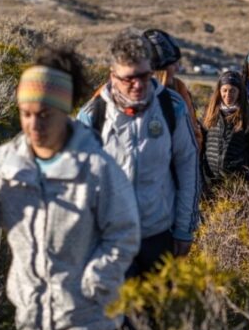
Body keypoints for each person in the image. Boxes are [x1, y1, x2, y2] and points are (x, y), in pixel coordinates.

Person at [0, 47, 140, 330]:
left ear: (64, 111)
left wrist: (95, 282)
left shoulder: (97, 168)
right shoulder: (3, 163)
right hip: (32, 316)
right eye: (26, 114)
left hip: (87, 316)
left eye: (44, 115)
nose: (34, 125)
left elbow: (124, 233)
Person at [77, 30, 200, 277]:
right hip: (110, 238)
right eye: (129, 79)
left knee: (158, 302)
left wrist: (184, 229)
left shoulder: (172, 107)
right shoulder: (93, 116)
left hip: (159, 235)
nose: (139, 85)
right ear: (113, 75)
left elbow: (188, 167)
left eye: (144, 76)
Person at [144, 28, 204, 150]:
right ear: (159, 68)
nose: (177, 68)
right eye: (173, 63)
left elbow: (193, 133)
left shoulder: (179, 89)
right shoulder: (125, 93)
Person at [202, 71, 249, 181]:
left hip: (238, 180)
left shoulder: (248, 116)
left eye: (233, 91)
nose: (228, 95)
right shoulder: (209, 113)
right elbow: (201, 145)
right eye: (224, 90)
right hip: (210, 178)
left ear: (240, 92)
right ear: (219, 91)